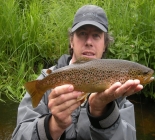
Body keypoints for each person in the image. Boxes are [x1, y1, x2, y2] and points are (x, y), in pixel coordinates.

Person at [11, 5, 143, 140]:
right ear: (71, 41)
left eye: (96, 35)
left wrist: (103, 114)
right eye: (82, 34)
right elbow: (18, 136)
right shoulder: (44, 83)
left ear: (105, 45)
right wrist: (53, 125)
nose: (89, 42)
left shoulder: (118, 94)